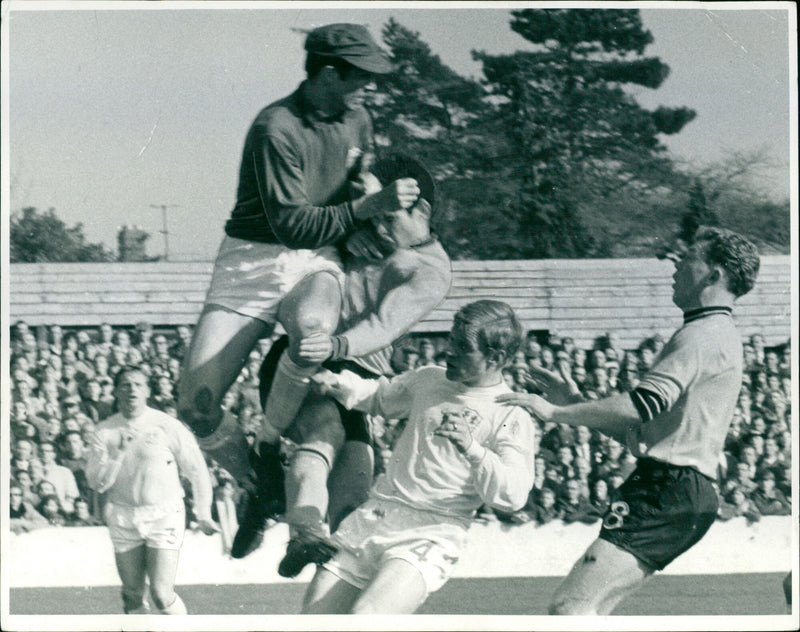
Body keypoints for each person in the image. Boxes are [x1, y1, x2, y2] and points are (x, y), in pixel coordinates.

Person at [177, 22, 417, 487]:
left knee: (313, 332)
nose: (370, 86)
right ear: (328, 73)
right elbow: (292, 224)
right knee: (195, 407)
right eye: (361, 76)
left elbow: (343, 198)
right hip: (250, 262)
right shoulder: (276, 128)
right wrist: (368, 206)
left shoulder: (359, 119)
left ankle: (271, 439)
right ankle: (260, 483)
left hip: (316, 257)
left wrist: (363, 225)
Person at [498, 226, 760, 615]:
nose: (675, 264)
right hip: (679, 489)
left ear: (714, 275)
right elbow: (643, 434)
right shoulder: (716, 333)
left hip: (666, 490)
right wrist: (574, 403)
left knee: (569, 610)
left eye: (687, 257)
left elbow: (641, 406)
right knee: (587, 612)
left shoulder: (702, 335)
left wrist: (556, 412)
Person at [233, 155, 452, 568]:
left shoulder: (431, 270)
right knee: (323, 435)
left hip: (351, 365)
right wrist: (340, 238)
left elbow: (384, 325)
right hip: (302, 359)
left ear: (420, 211)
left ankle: (270, 494)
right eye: (373, 215)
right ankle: (302, 533)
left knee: (353, 494)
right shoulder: (360, 230)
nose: (378, 227)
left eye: (387, 217)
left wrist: (335, 347)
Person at [300, 300, 536, 614]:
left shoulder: (510, 413)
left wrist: (474, 450)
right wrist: (338, 383)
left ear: (495, 358)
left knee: (368, 617)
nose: (449, 351)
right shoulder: (429, 379)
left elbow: (513, 495)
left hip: (433, 530)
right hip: (376, 516)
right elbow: (381, 397)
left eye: (463, 346)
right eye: (451, 340)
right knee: (312, 619)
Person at [85, 366, 218, 615]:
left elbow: (197, 469)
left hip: (164, 514)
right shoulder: (105, 431)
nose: (131, 389)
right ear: (115, 391)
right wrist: (118, 455)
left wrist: (203, 513)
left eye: (137, 384)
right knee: (132, 594)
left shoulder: (167, 425)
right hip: (123, 516)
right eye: (125, 384)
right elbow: (96, 482)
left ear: (147, 390)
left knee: (161, 593)